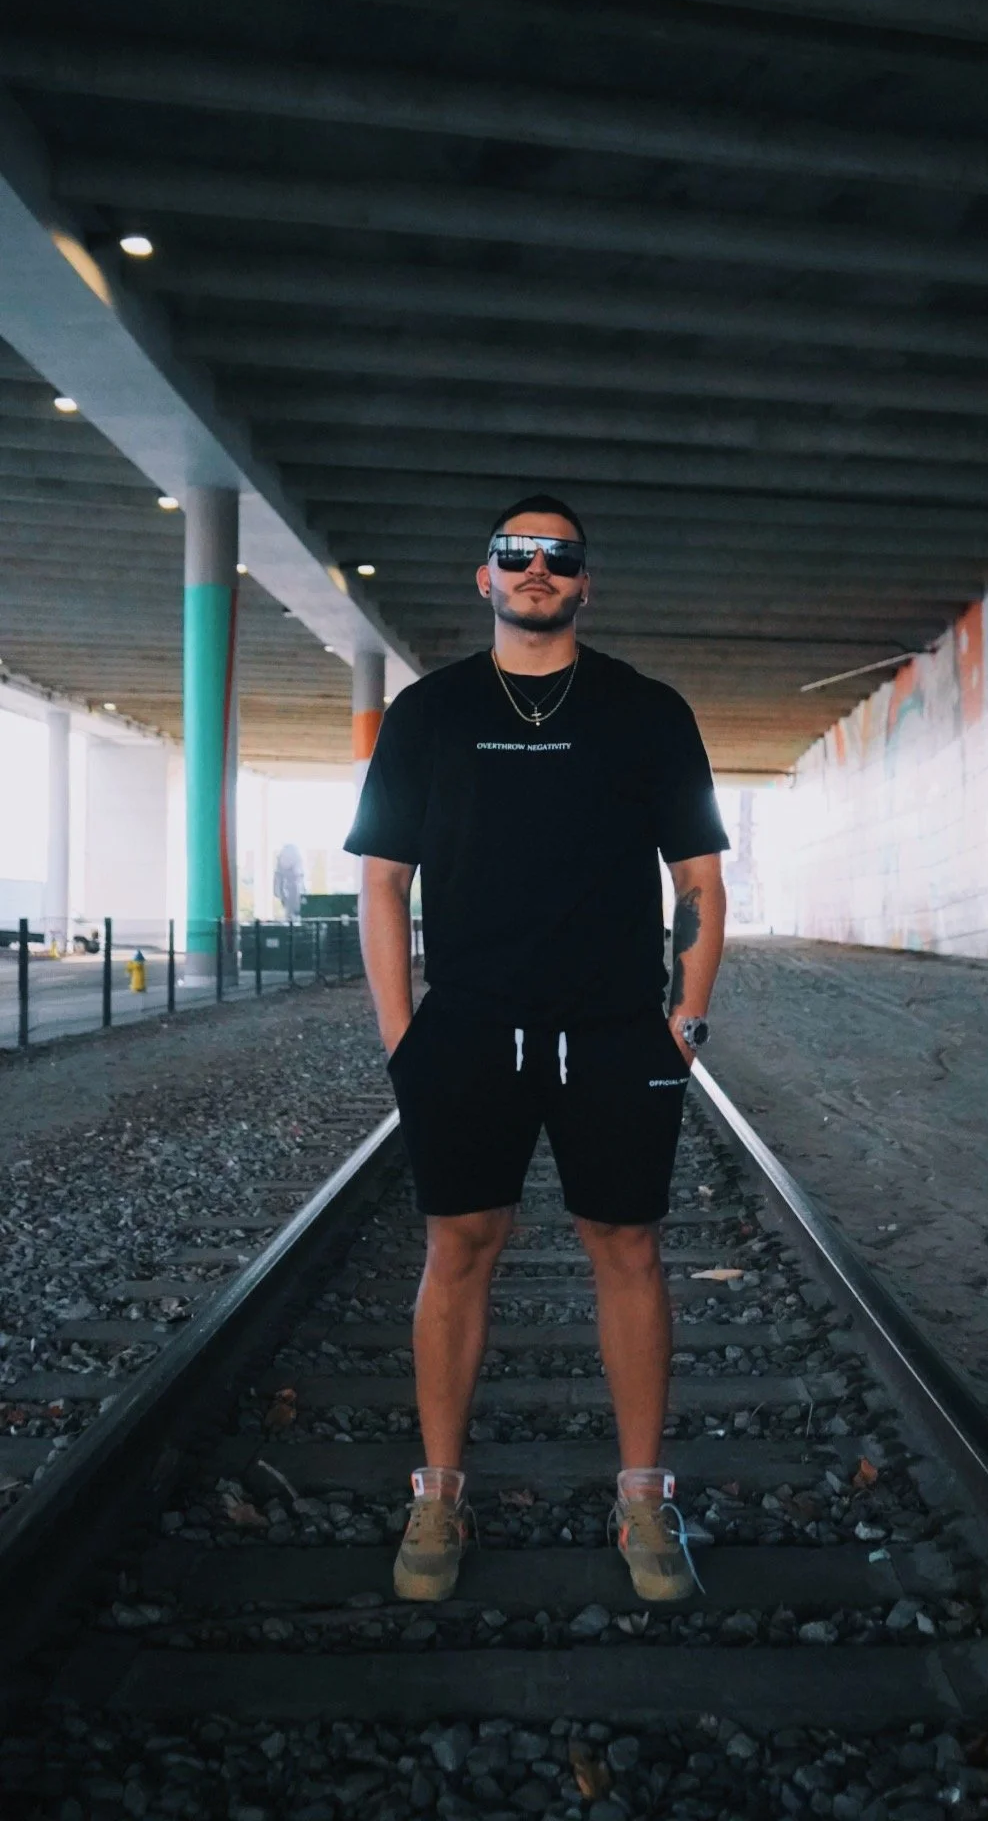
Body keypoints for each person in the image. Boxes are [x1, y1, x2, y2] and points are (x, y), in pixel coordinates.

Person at [345, 493, 728, 1603]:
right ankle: (439, 1493)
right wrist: (399, 1032)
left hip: (615, 1029)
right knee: (458, 1246)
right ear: (486, 577)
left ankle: (644, 1499)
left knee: (631, 1247)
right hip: (466, 1026)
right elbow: (383, 878)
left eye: (559, 558)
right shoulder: (427, 713)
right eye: (517, 554)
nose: (537, 570)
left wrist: (685, 1023)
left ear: (583, 584)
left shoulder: (648, 711)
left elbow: (698, 879)